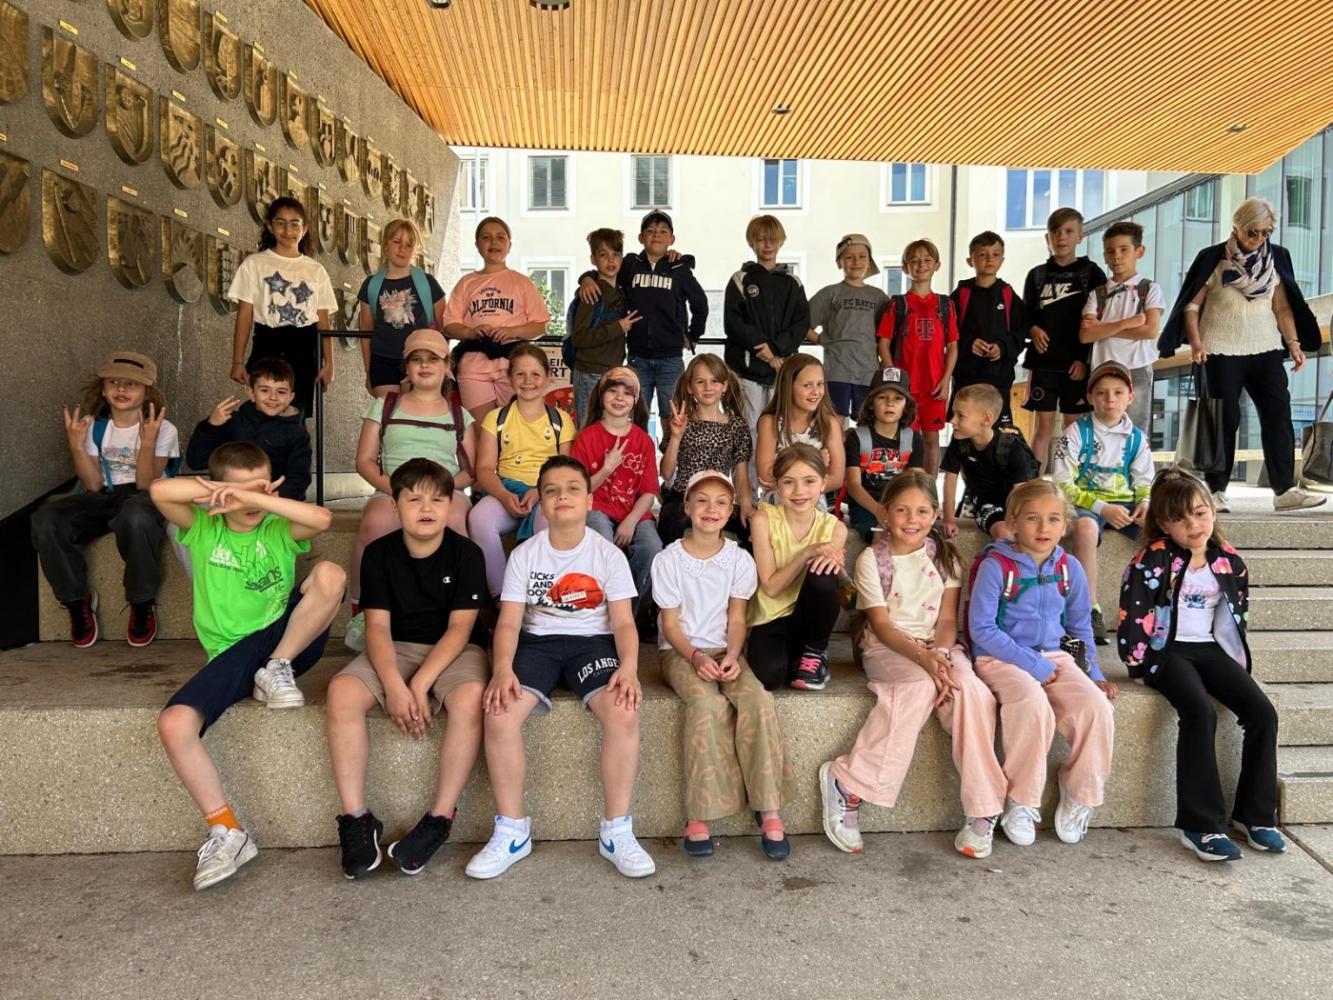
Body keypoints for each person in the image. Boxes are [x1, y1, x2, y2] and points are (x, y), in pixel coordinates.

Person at [151, 442, 344, 890]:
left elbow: (322, 519)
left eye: (261, 487)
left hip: (290, 641)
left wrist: (257, 497)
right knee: (174, 723)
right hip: (234, 654)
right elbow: (159, 491)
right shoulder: (204, 528)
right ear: (219, 491)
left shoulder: (276, 527)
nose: (250, 500)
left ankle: (276, 667)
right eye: (238, 491)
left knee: (331, 574)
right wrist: (227, 494)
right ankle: (228, 832)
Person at [466, 455, 654, 880]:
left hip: (592, 644)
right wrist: (501, 669)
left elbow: (624, 623)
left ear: (589, 500)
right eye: (551, 491)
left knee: (624, 710)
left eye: (572, 489)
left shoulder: (607, 555)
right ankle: (512, 831)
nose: (562, 496)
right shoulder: (525, 555)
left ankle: (616, 832)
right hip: (537, 644)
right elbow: (509, 622)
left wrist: (629, 667)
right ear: (541, 503)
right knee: (498, 713)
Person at [819, 470, 1007, 859]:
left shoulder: (946, 558)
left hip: (939, 645)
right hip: (888, 647)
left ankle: (984, 807)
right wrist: (923, 659)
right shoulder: (873, 560)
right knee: (918, 687)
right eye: (902, 510)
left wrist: (940, 655)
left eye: (922, 511)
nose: (912, 519)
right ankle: (848, 782)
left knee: (971, 691)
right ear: (885, 514)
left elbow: (948, 619)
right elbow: (882, 625)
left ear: (935, 514)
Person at [325, 458, 490, 879]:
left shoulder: (467, 554)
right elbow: (377, 629)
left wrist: (419, 685)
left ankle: (440, 818)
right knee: (341, 692)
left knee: (470, 698)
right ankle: (356, 819)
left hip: (455, 650)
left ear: (451, 505)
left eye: (437, 499)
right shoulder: (379, 554)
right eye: (414, 499)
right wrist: (395, 687)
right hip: (394, 646)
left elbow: (460, 630)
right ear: (395, 506)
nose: (426, 508)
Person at [1118, 468, 1283, 861]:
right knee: (1199, 712)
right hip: (1167, 652)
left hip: (1211, 650)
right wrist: (1137, 663)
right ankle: (1201, 825)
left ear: (1212, 509)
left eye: (1199, 513)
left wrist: (1236, 661)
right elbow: (1133, 610)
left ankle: (1255, 816)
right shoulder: (1152, 558)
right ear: (1163, 524)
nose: (1193, 525)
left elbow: (1237, 614)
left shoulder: (1229, 560)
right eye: (1179, 519)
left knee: (1263, 713)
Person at [967, 479, 1117, 848]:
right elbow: (981, 629)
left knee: (1097, 708)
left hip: (1054, 656)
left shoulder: (1070, 568)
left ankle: (1079, 794)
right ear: (1013, 523)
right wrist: (1031, 665)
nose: (1043, 527)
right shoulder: (996, 566)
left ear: (1065, 526)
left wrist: (1094, 674)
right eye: (1032, 518)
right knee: (1032, 704)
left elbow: (1080, 626)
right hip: (1000, 656)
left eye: (1053, 519)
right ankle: (1022, 801)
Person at [653, 469, 793, 860]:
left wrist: (732, 655)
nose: (710, 509)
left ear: (731, 511)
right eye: (701, 500)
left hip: (725, 649)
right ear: (686, 507)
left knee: (757, 700)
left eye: (720, 502)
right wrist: (695, 657)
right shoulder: (668, 560)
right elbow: (670, 625)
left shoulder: (738, 559)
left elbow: (737, 618)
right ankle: (699, 813)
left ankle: (769, 808)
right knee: (706, 703)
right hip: (680, 652)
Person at [1161, 196, 1325, 512]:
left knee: (1278, 414)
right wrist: (1196, 343)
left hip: (1266, 349)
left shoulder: (1276, 258)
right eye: (1253, 232)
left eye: (1266, 232)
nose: (1259, 238)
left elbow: (1282, 307)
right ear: (1236, 228)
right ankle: (1216, 490)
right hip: (1220, 350)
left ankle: (1284, 490)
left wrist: (1293, 343)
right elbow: (1191, 307)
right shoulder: (1213, 258)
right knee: (1223, 419)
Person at [35, 348, 180, 649]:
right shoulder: (94, 426)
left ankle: (142, 602)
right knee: (46, 518)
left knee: (135, 517)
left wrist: (148, 442)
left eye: (131, 384)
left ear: (147, 391)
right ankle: (76, 601)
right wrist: (76, 446)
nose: (121, 389)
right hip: (104, 495)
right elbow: (92, 484)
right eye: (113, 382)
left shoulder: (162, 428)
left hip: (144, 495)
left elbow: (146, 483)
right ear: (102, 389)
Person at [346, 330, 476, 650]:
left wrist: (439, 492)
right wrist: (397, 491)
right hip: (392, 490)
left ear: (448, 366)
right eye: (416, 359)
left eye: (433, 359)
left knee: (455, 521)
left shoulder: (459, 414)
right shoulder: (384, 406)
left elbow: (470, 470)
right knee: (376, 522)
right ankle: (362, 608)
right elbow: (364, 460)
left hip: (446, 492)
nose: (425, 365)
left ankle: (460, 611)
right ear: (406, 367)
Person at [1051, 361, 1153, 644]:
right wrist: (1101, 508)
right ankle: (1089, 609)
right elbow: (1062, 482)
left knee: (1161, 528)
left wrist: (1144, 501)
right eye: (1102, 393)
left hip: (1125, 504)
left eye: (1118, 392)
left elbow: (1143, 477)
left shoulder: (1137, 438)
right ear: (1090, 397)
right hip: (1086, 504)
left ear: (1130, 397)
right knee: (1085, 529)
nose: (1110, 399)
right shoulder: (1075, 432)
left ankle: (1157, 606)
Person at [577, 210, 708, 424]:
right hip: (638, 358)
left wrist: (694, 335)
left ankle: (670, 447)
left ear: (672, 239)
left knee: (673, 416)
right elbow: (606, 271)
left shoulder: (678, 269)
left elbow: (700, 303)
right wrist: (586, 278)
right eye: (650, 231)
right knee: (636, 416)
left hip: (670, 359)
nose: (656, 235)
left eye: (663, 231)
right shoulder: (630, 264)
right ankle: (640, 448)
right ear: (640, 238)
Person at [468, 344, 575, 600]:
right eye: (520, 374)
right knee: (479, 518)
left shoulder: (561, 419)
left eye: (536, 374)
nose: (528, 381)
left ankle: (541, 598)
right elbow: (484, 469)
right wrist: (504, 496)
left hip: (546, 493)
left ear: (548, 377)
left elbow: (564, 470)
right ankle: (503, 596)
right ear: (509, 378)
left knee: (548, 520)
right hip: (506, 491)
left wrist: (539, 492)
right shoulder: (497, 418)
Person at [747, 443, 847, 692]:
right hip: (771, 617)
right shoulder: (763, 519)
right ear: (777, 485)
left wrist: (822, 556)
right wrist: (806, 552)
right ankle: (795, 659)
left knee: (824, 572)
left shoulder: (834, 528)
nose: (799, 491)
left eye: (809, 481)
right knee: (768, 678)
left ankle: (814, 651)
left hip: (810, 618)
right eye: (789, 482)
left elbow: (827, 585)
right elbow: (771, 588)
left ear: (823, 483)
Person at [227, 197, 335, 418]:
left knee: (296, 415)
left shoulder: (316, 270)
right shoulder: (254, 264)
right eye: (280, 223)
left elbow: (324, 321)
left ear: (305, 228)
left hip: (304, 348)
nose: (288, 230)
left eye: (295, 223)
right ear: (269, 226)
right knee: (262, 412)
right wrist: (238, 360)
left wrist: (329, 363)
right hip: (267, 343)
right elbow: (244, 316)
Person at [1021, 207, 1107, 473]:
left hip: (1075, 365)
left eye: (1069, 231)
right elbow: (1025, 314)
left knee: (1074, 427)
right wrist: (1033, 329)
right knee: (1042, 428)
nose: (1061, 237)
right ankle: (1035, 485)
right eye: (1056, 232)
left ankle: (1071, 484)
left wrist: (1084, 359)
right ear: (1047, 237)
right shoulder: (1037, 275)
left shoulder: (1092, 274)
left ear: (1080, 236)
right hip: (1043, 363)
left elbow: (1098, 321)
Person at [571, 366, 662, 615]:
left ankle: (626, 615)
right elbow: (579, 490)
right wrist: (607, 468)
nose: (620, 398)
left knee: (652, 549)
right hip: (598, 508)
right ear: (601, 396)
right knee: (601, 542)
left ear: (635, 401)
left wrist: (631, 521)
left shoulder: (643, 440)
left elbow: (649, 492)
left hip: (635, 512)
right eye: (613, 391)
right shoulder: (587, 438)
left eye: (627, 393)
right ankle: (601, 611)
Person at [443, 217, 550, 420]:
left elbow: (539, 326)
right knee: (482, 428)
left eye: (500, 237)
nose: (494, 242)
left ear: (509, 245)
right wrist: (469, 332)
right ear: (477, 245)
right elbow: (449, 324)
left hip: (513, 363)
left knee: (515, 424)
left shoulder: (522, 282)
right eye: (486, 237)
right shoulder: (466, 283)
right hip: (474, 363)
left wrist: (512, 331)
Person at [876, 238, 958, 474]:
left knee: (932, 439)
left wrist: (946, 380)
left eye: (927, 260)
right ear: (905, 267)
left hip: (934, 386)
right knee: (905, 439)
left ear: (937, 265)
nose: (921, 264)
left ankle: (929, 489)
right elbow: (883, 344)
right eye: (914, 261)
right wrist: (893, 379)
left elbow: (953, 346)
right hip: (905, 388)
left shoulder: (945, 304)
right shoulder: (898, 304)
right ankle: (904, 487)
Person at [724, 215, 809, 435]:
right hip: (748, 368)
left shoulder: (793, 283)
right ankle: (749, 462)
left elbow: (801, 323)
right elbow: (733, 321)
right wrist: (762, 347)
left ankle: (775, 461)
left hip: (781, 368)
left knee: (779, 427)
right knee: (748, 426)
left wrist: (777, 349)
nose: (767, 245)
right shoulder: (740, 279)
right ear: (752, 242)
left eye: (772, 239)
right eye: (761, 239)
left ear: (781, 241)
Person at [657, 354, 755, 546]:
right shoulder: (681, 421)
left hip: (720, 499)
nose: (708, 387)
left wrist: (745, 504)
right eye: (700, 382)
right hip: (683, 497)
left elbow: (741, 476)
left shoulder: (737, 426)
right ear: (689, 387)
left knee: (752, 526)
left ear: (724, 386)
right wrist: (676, 436)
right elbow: (666, 473)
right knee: (670, 521)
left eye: (714, 381)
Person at [1077, 221, 1164, 431]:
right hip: (1102, 367)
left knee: (1136, 430)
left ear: (1139, 251)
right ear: (1105, 255)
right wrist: (1127, 323)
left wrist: (1102, 328)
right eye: (1110, 251)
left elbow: (1150, 330)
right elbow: (1085, 335)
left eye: (1124, 249)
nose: (1116, 256)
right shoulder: (1098, 294)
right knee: (1100, 429)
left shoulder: (1149, 288)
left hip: (1137, 367)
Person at [186, 357, 311, 501]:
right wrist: (211, 425)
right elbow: (196, 461)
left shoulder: (298, 434)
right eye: (265, 390)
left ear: (290, 397)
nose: (273, 397)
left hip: (273, 503)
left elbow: (299, 477)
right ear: (251, 393)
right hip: (230, 499)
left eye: (281, 392)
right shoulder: (232, 422)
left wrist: (271, 499)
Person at [356, 217, 447, 397]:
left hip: (419, 360)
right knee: (388, 411)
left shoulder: (428, 284)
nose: (402, 249)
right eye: (396, 242)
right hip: (382, 361)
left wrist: (440, 365)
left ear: (415, 250)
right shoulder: (371, 285)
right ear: (385, 245)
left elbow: (444, 328)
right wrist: (368, 371)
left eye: (408, 244)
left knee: (413, 411)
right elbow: (365, 331)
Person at [941, 384, 1039, 542]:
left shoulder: (1011, 447)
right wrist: (949, 519)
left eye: (961, 416)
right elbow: (950, 481)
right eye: (954, 414)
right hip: (986, 502)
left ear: (986, 419)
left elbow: (1019, 490)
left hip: (1016, 501)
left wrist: (1013, 520)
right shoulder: (959, 443)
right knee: (1003, 532)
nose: (952, 420)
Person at [808, 234, 889, 419]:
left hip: (868, 373)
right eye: (849, 257)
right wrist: (821, 340)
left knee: (867, 422)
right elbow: (801, 323)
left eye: (862, 257)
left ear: (869, 261)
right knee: (834, 421)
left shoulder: (879, 297)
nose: (856, 262)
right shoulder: (830, 293)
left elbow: (887, 336)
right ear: (839, 261)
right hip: (836, 371)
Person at [949, 231, 1025, 426]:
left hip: (999, 379)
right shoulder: (960, 295)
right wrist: (969, 344)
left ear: (1002, 259)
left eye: (995, 254)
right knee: (964, 429)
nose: (990, 259)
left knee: (999, 432)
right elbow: (948, 333)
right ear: (970, 261)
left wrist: (1002, 347)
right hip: (967, 378)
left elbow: (1020, 333)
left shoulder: (1008, 294)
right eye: (982, 254)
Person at [844, 366, 923, 544]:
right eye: (882, 397)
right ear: (871, 403)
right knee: (881, 538)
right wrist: (878, 510)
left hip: (901, 504)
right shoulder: (857, 437)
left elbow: (918, 481)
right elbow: (854, 485)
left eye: (898, 398)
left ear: (906, 405)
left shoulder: (913, 438)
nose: (890, 403)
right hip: (866, 505)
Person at [755, 353, 845, 505]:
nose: (816, 391)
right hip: (777, 506)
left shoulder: (829, 423)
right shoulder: (770, 422)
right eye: (807, 385)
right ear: (787, 386)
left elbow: (837, 478)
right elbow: (765, 477)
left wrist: (787, 481)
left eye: (820, 384)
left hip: (813, 507)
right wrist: (816, 462)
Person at [569, 228, 635, 427]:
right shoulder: (591, 293)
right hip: (589, 371)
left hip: (612, 371)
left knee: (608, 429)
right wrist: (618, 327)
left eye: (616, 254)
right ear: (593, 259)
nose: (611, 260)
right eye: (603, 255)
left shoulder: (620, 290)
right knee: (588, 427)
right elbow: (579, 337)